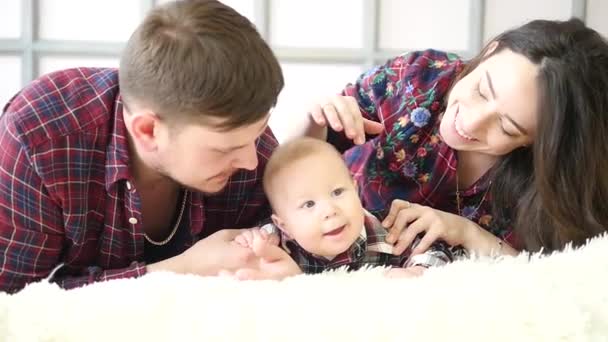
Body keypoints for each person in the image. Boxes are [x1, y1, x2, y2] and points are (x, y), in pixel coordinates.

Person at [0, 0, 292, 293]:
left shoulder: (238, 131)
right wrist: (183, 269)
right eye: (223, 149)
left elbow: (315, 242)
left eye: (256, 134)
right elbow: (14, 302)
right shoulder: (40, 137)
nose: (251, 161)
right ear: (148, 130)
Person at [291, 17, 608, 259]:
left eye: (508, 128)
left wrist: (467, 233)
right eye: (482, 90)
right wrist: (313, 119)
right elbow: (293, 169)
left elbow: (552, 276)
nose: (470, 122)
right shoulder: (416, 80)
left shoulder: (551, 183)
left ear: (537, 143)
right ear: (490, 52)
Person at [230, 137, 458, 279]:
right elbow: (256, 242)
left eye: (338, 192)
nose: (330, 210)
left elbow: (435, 250)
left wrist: (417, 271)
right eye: (309, 204)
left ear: (356, 189)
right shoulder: (278, 241)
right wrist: (251, 240)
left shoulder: (386, 232)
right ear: (285, 225)